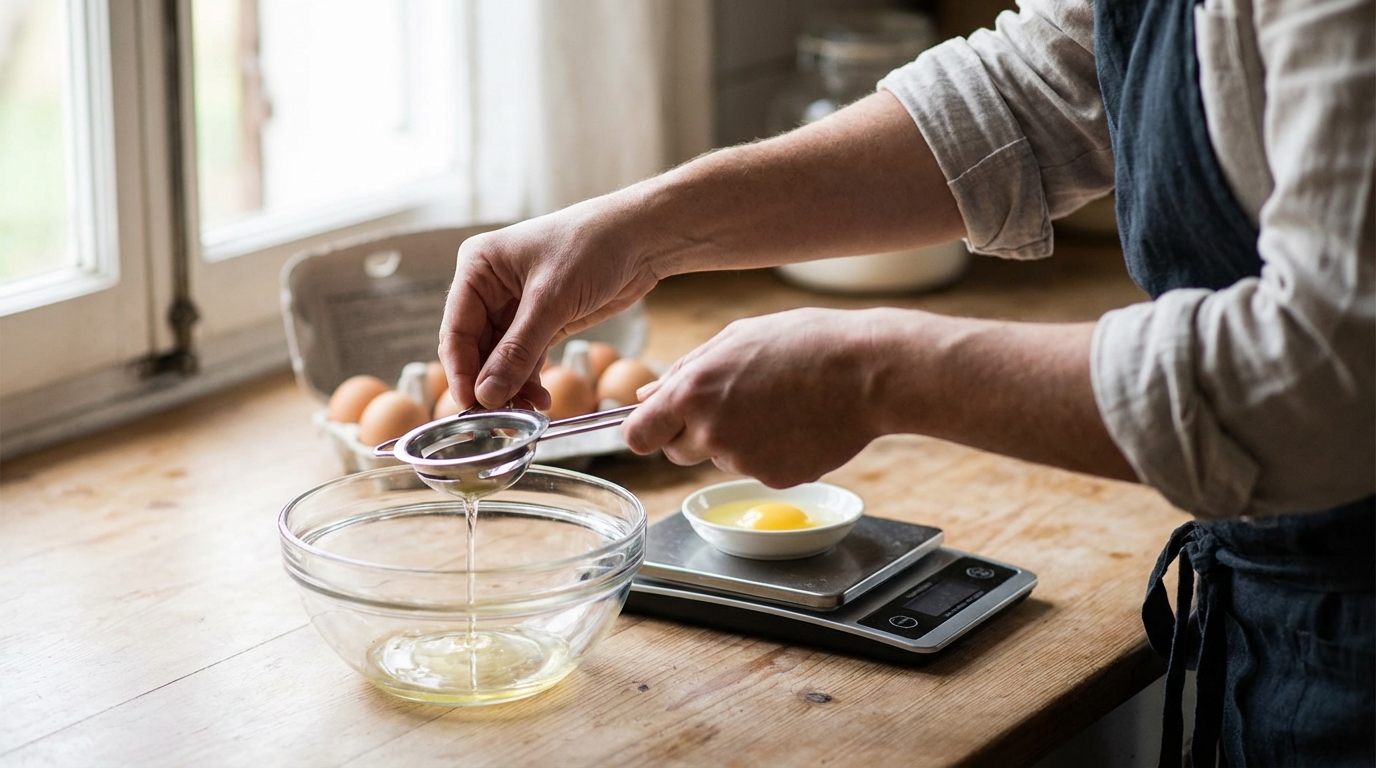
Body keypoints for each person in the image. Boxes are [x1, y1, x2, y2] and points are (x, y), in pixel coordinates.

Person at [438, 0, 1374, 764]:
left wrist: (870, 372)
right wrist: (640, 226)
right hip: (1279, 596)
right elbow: (1040, 89)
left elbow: (1330, 377)